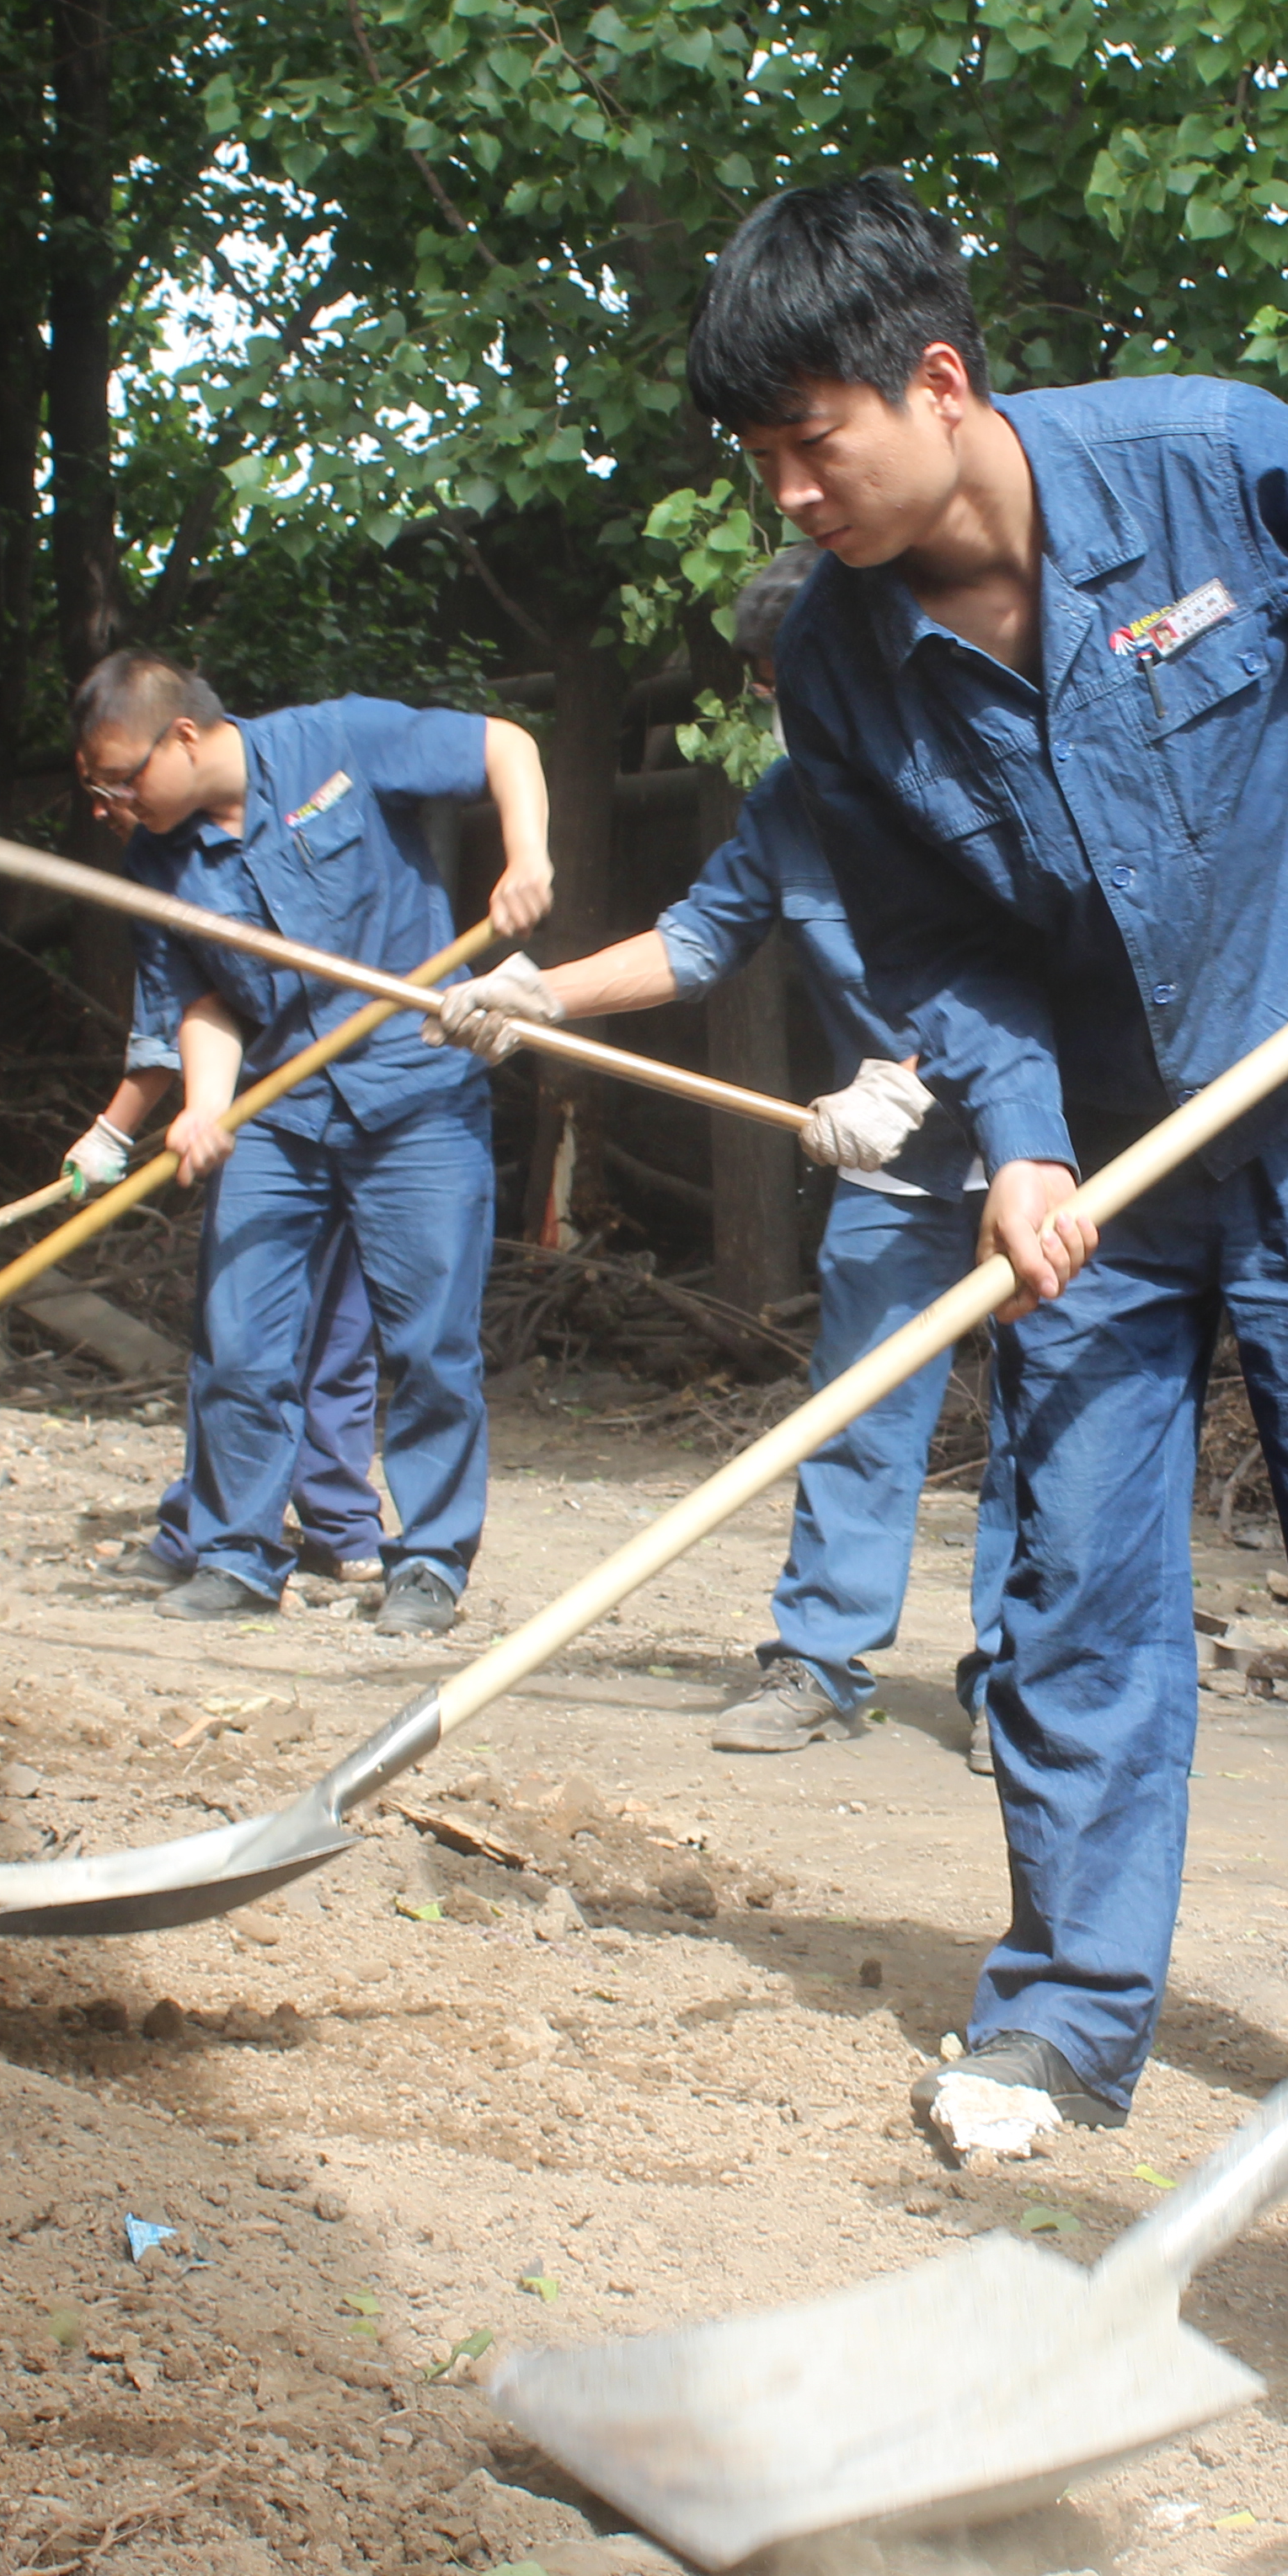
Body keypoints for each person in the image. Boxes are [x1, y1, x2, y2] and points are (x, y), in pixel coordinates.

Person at [689, 175, 1288, 2186]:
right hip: (1094, 1160)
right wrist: (1021, 1135)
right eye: (760, 463)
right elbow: (916, 936)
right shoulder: (835, 656)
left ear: (936, 381)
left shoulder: (1207, 460)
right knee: (1075, 1578)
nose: (790, 497)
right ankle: (1071, 2012)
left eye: (811, 446)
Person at [436, 546, 1020, 1763]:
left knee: (1047, 1430)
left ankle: (1019, 1682)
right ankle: (818, 1661)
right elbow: (698, 939)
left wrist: (924, 1076)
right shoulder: (793, 805)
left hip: (1045, 1158)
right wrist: (545, 992)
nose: (785, 709)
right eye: (766, 687)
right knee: (857, 1414)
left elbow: (1056, 970)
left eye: (794, 678)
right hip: (890, 1168)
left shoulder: (998, 767)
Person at [74, 652, 554, 1638]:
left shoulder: (340, 741)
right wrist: (205, 1104)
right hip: (278, 1117)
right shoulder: (156, 861)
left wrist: (526, 858)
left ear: (186, 738)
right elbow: (201, 999)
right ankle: (238, 1555)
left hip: (415, 1097)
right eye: (99, 787)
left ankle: (426, 1564)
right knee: (239, 1338)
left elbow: (505, 745)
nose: (111, 803)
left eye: (123, 778)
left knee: (429, 1345)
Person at [55, 1065, 390, 1598]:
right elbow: (180, 1022)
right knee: (240, 1346)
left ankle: (340, 1525)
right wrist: (115, 1130)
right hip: (271, 1112)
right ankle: (206, 1526)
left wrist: (115, 1128)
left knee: (340, 1334)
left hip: (374, 1109)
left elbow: (162, 1039)